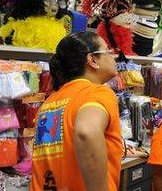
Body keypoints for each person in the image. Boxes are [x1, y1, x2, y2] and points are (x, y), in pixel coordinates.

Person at [31, 31, 122, 191]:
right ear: (92, 59)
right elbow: (87, 131)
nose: (114, 57)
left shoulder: (49, 103)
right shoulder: (97, 92)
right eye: (108, 51)